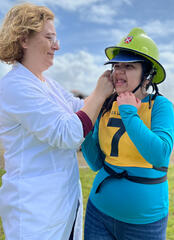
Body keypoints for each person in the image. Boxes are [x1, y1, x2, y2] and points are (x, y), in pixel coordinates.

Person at [0, 3, 113, 240]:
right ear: (24, 39)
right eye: (49, 37)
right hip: (35, 212)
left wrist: (111, 86)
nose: (57, 45)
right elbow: (68, 134)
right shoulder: (15, 86)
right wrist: (101, 92)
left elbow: (80, 108)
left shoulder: (46, 83)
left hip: (61, 207)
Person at [81, 28, 174, 240]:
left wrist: (129, 113)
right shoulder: (105, 104)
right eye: (116, 66)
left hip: (144, 222)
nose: (118, 72)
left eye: (129, 66)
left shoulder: (160, 106)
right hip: (99, 212)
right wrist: (87, 128)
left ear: (147, 75)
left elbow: (160, 155)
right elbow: (96, 163)